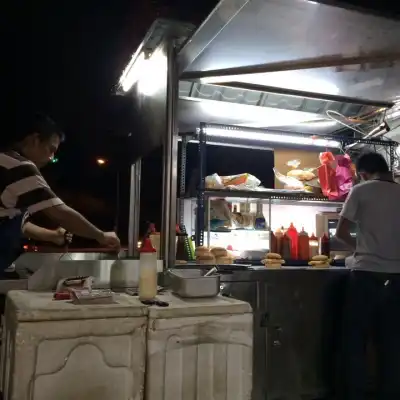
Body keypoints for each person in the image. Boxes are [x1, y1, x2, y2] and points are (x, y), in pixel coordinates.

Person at [0, 113, 120, 274]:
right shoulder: (18, 167)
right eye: (51, 149)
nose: (51, 158)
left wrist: (54, 235)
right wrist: (101, 236)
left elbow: (19, 224)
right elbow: (60, 213)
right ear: (35, 140)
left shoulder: (5, 163)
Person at [336, 151, 400, 399]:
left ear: (362, 173)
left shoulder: (361, 191)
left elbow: (341, 233)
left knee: (355, 342)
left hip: (366, 277)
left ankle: (356, 395)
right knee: (392, 345)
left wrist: (360, 250)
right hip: (397, 279)